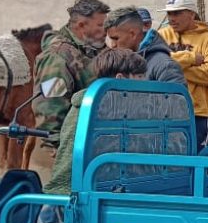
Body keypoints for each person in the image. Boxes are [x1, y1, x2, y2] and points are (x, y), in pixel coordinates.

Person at [42, 49, 147, 197]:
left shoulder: (114, 106)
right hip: (72, 196)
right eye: (140, 76)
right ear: (120, 78)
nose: (145, 82)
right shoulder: (97, 110)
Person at [33, 0, 109, 150]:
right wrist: (57, 149)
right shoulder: (57, 57)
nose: (106, 31)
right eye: (101, 25)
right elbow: (50, 107)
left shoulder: (89, 50)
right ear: (81, 25)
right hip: (67, 147)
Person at [157, 0, 208, 151]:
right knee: (164, 158)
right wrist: (190, 58)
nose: (171, 18)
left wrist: (171, 66)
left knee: (194, 157)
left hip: (196, 111)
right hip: (164, 109)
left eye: (177, 13)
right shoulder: (162, 35)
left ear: (191, 14)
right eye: (169, 13)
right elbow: (156, 62)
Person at [103, 6, 186, 85]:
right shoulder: (118, 62)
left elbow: (177, 95)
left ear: (133, 34)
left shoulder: (164, 66)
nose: (112, 45)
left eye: (116, 38)